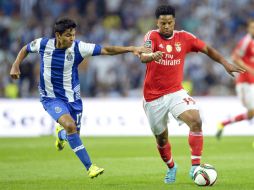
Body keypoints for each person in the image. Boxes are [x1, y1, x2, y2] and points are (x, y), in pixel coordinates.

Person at [10, 17, 145, 179]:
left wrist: (131, 48)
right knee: (70, 126)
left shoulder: (79, 48)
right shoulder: (43, 44)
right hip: (50, 98)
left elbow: (107, 50)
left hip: (73, 99)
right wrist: (15, 64)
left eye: (73, 34)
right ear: (58, 35)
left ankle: (60, 135)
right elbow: (25, 48)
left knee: (73, 132)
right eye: (68, 35)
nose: (72, 38)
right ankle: (91, 167)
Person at [138, 5, 245, 184]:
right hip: (153, 97)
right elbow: (143, 56)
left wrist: (225, 63)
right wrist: (152, 56)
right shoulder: (151, 36)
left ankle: (195, 167)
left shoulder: (184, 37)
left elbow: (207, 49)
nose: (166, 26)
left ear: (174, 22)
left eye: (169, 22)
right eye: (163, 23)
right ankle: (171, 167)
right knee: (161, 138)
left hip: (175, 92)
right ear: (157, 22)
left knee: (196, 120)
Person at [216, 19, 254, 139]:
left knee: (251, 113)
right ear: (248, 29)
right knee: (251, 112)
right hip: (244, 83)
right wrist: (250, 70)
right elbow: (235, 58)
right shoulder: (246, 41)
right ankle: (223, 123)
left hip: (252, 82)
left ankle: (223, 123)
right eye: (252, 27)